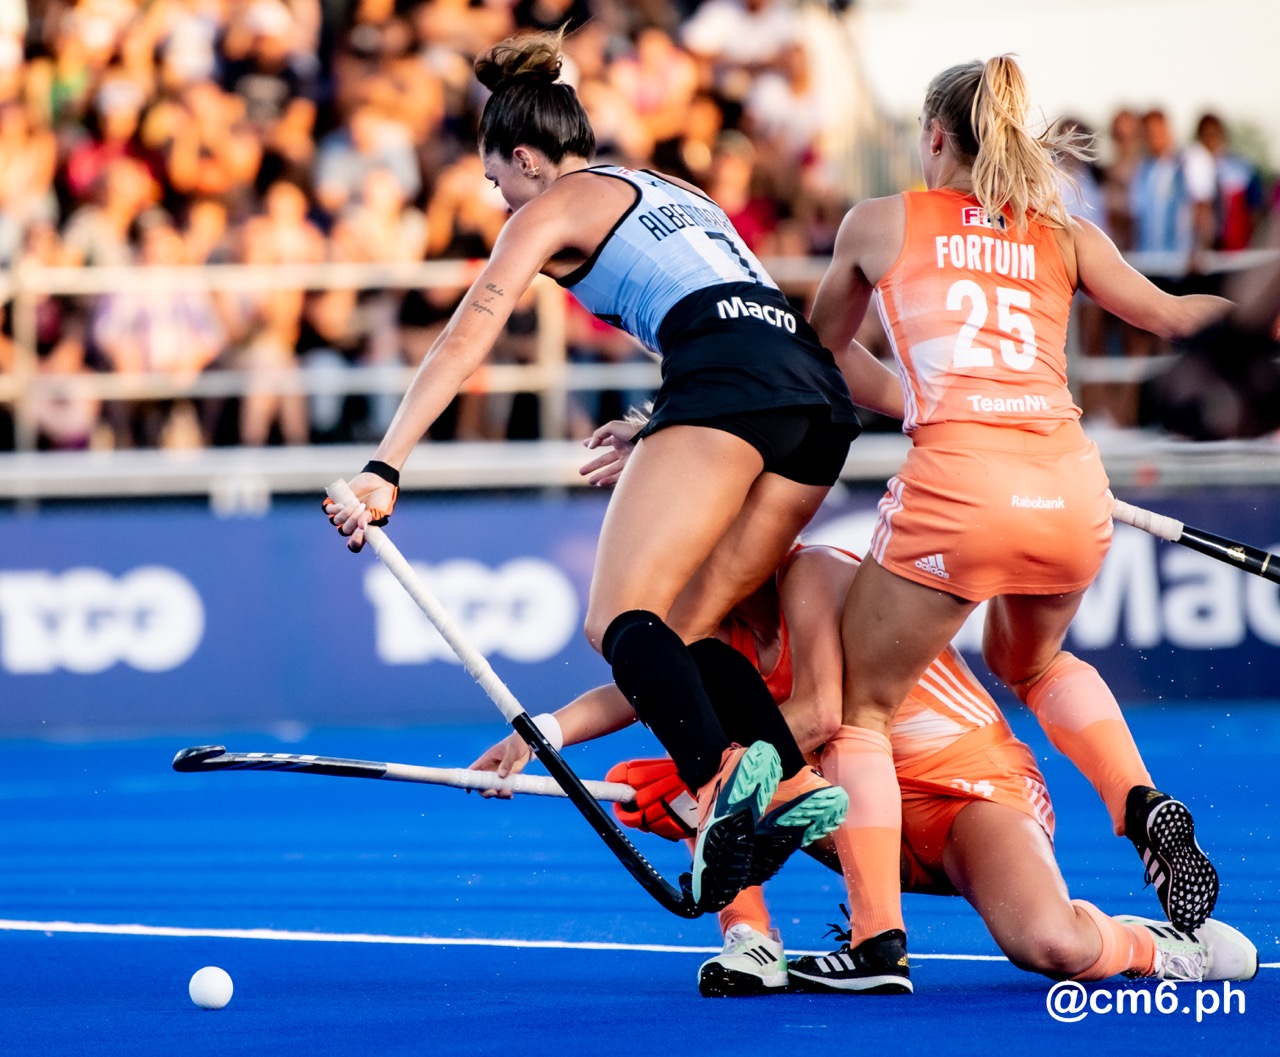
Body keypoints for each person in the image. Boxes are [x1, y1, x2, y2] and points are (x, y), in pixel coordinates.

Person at [322, 28, 893, 911]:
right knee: (688, 629)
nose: (499, 198)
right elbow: (745, 313)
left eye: (497, 180)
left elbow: (468, 332)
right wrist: (664, 420)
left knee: (618, 618)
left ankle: (719, 779)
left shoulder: (548, 208)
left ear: (526, 159)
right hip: (813, 401)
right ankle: (783, 780)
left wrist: (383, 465)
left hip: (728, 385)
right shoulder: (672, 186)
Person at [799, 56, 1235, 992]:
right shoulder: (1064, 230)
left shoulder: (878, 221)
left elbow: (816, 353)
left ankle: (875, 943)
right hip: (1070, 487)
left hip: (959, 491)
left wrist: (919, 402)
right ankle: (1137, 799)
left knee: (858, 709)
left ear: (935, 137)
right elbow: (1171, 317)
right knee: (1029, 661)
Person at [470, 535, 1259, 997]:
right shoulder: (710, 630)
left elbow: (821, 716)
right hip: (860, 814)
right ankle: (752, 940)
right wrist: (541, 733)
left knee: (1049, 946)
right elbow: (632, 694)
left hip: (968, 789)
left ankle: (1158, 946)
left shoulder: (815, 572)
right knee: (703, 757)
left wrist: (690, 781)